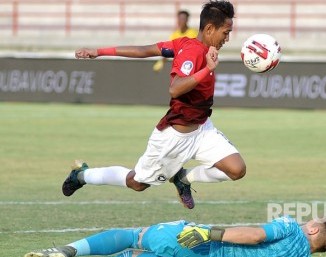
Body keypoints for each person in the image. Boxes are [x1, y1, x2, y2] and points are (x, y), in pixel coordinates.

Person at [65, 0, 246, 209]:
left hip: (202, 130)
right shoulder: (192, 52)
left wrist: (99, 51)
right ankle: (82, 175)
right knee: (137, 183)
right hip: (174, 137)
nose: (227, 38)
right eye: (226, 32)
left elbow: (144, 50)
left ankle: (184, 179)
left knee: (236, 169)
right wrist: (207, 69)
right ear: (209, 28)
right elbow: (175, 88)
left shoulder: (186, 45)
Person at [24, 216, 326, 257]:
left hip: (203, 244)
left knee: (134, 236)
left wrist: (210, 233)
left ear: (313, 229)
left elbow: (257, 235)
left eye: (309, 220)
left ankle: (63, 252)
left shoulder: (291, 228)